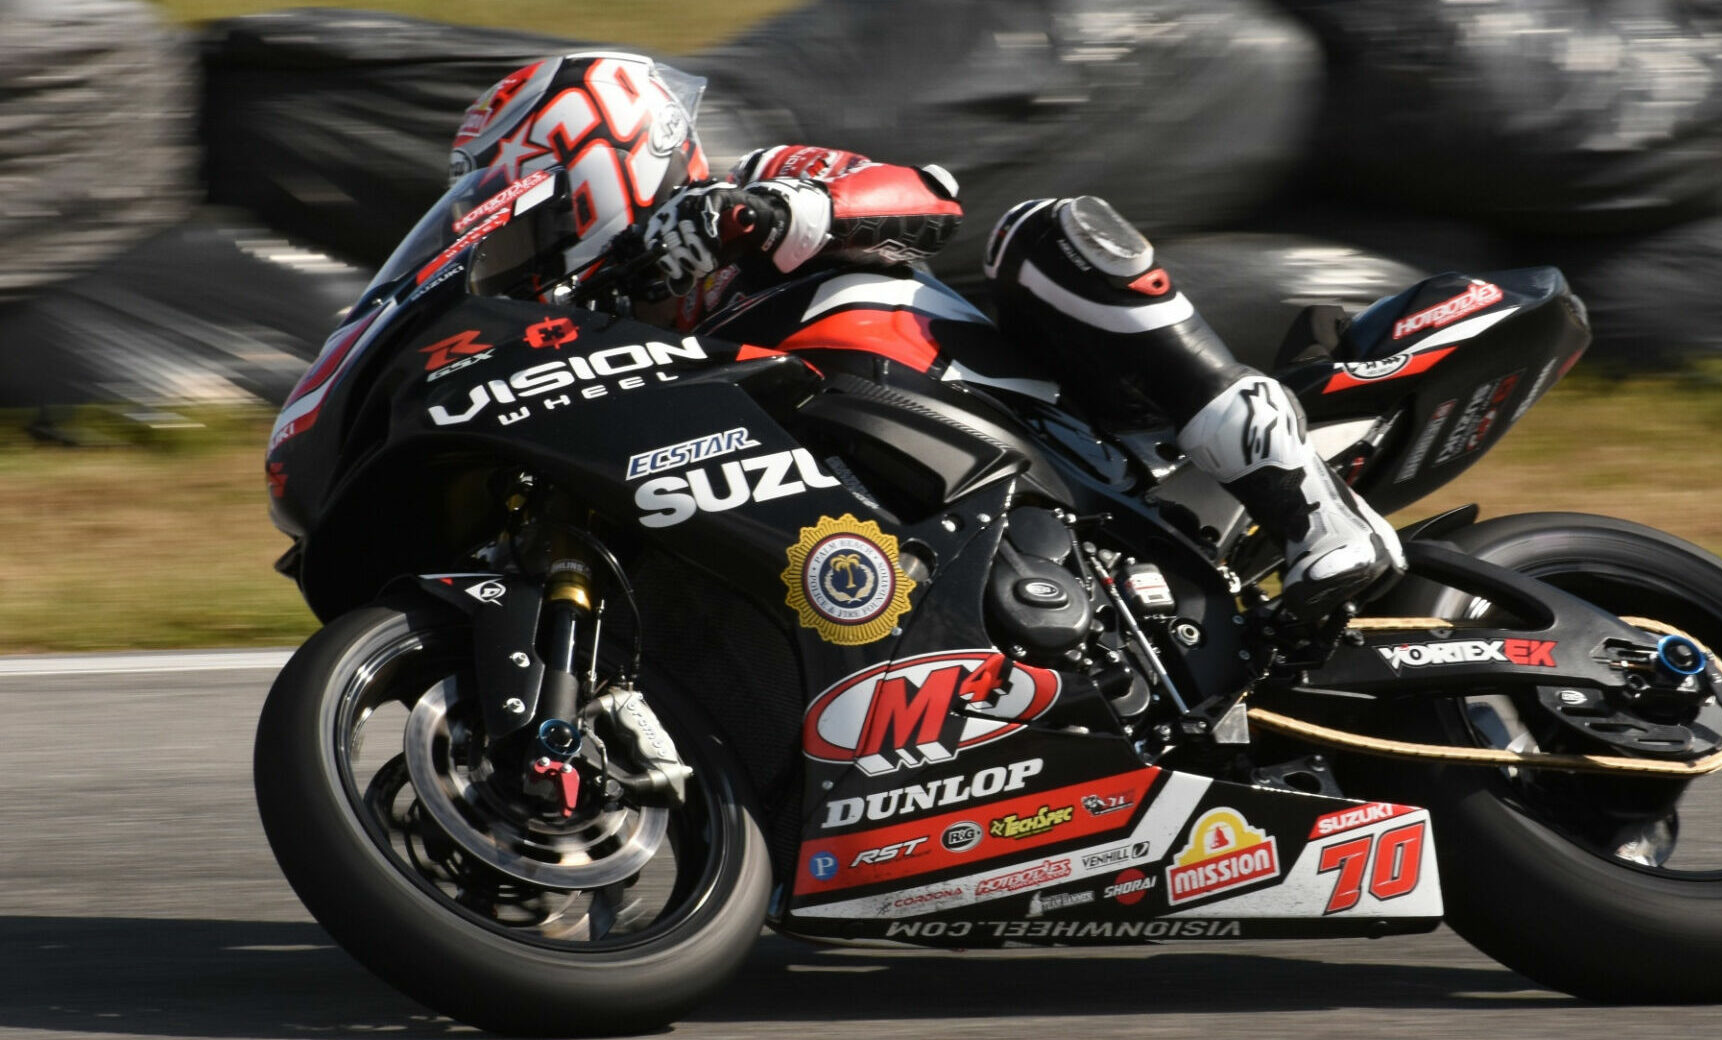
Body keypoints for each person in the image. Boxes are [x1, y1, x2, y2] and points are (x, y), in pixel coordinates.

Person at [450, 52, 1403, 618]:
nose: (524, 254)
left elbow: (928, 195)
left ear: (603, 162)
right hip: (916, 547)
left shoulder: (753, 190)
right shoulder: (604, 344)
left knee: (1045, 233)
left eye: (528, 219)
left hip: (1055, 430)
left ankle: (1312, 512)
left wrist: (766, 213)